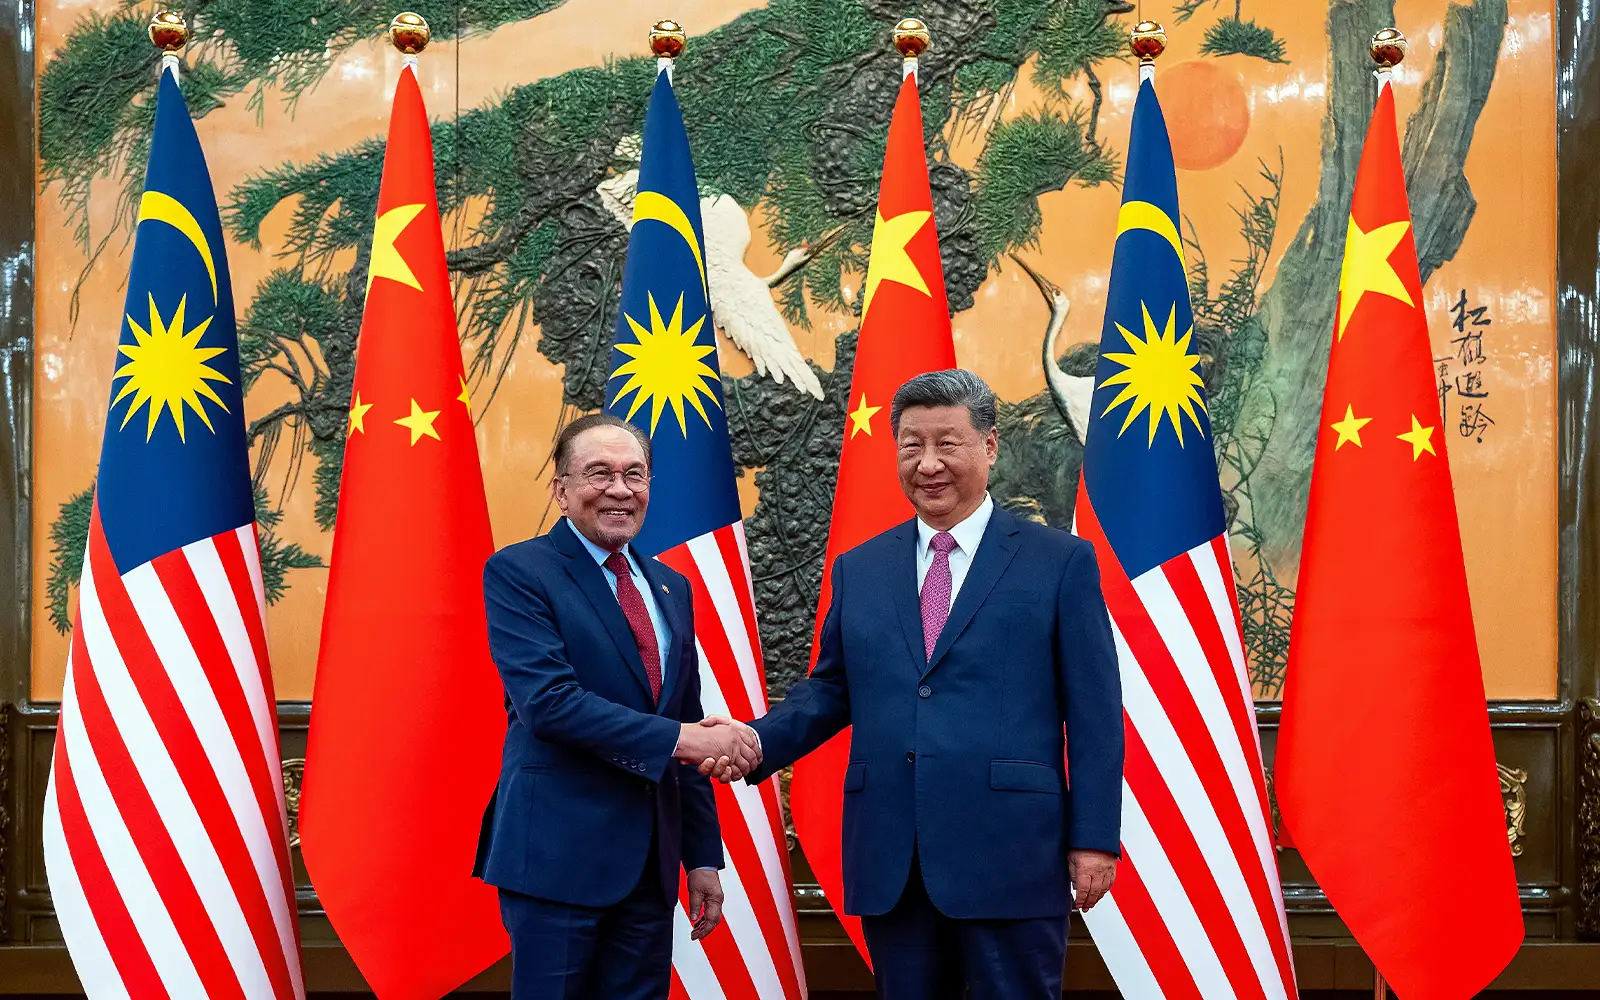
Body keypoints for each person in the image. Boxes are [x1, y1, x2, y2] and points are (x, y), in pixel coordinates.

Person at [731, 369, 1124, 1000]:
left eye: (948, 443)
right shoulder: (860, 568)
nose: (928, 464)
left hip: (1012, 853)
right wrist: (753, 741)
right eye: (911, 446)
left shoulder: (1059, 562)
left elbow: (1096, 713)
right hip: (895, 857)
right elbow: (831, 689)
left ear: (989, 446)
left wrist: (1095, 839)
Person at [473, 413, 761, 1000]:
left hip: (650, 866)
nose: (620, 489)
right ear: (561, 490)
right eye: (599, 473)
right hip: (557, 860)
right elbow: (549, 704)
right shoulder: (520, 572)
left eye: (634, 474)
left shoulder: (671, 587)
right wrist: (685, 739)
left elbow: (686, 718)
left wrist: (702, 857)